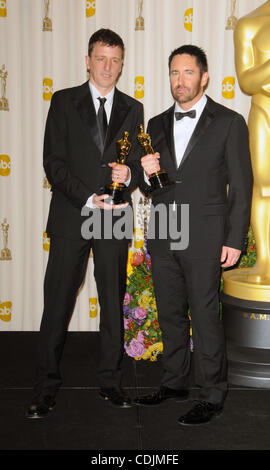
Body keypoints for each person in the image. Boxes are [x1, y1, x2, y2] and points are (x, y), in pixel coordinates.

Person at [26, 28, 143, 418]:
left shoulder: (133, 107)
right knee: (57, 304)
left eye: (115, 59)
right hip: (72, 215)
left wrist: (130, 177)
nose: (107, 66)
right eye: (101, 58)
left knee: (112, 305)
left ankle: (111, 383)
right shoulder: (62, 101)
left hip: (113, 219)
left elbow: (139, 168)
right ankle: (45, 389)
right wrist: (87, 197)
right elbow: (52, 163)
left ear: (122, 64)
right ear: (88, 60)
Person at [134, 45, 253, 425]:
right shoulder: (153, 125)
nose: (179, 80)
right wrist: (144, 173)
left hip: (206, 233)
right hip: (165, 230)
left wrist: (235, 238)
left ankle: (213, 393)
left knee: (203, 315)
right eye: (173, 73)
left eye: (187, 72)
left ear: (204, 77)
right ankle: (174, 382)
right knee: (170, 312)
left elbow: (243, 185)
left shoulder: (230, 122)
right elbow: (151, 188)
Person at [234, 0, 270, 283]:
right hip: (264, 112)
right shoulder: (249, 23)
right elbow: (246, 82)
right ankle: (265, 259)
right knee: (264, 187)